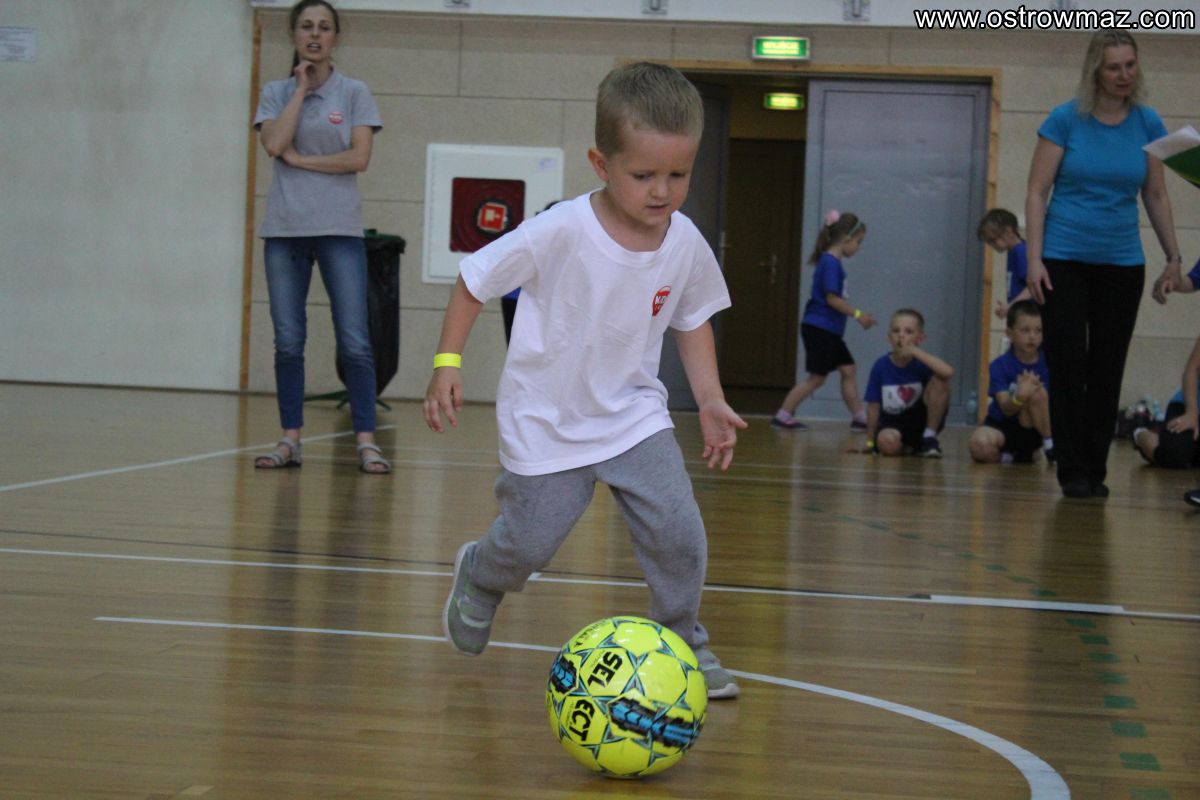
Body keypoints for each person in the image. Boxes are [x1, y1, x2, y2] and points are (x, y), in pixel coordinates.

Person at [423, 62, 748, 699]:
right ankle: (482, 574)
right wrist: (446, 365)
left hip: (633, 416)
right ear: (601, 164)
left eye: (678, 175)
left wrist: (710, 399)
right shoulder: (561, 230)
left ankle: (684, 640)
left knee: (679, 533)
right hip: (548, 419)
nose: (663, 191)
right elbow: (474, 280)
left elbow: (693, 318)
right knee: (529, 544)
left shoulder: (684, 241)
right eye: (644, 175)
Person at [1025, 30, 1181, 499]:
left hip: (1122, 262)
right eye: (1114, 67)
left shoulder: (1149, 122)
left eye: (1130, 65)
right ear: (1096, 69)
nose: (1123, 75)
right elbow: (1037, 192)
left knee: (1107, 367)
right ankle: (1072, 468)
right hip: (1063, 259)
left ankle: (1096, 468)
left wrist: (1173, 256)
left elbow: (1156, 194)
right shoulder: (1065, 119)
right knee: (1068, 364)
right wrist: (1033, 260)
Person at [251, 0, 390, 474]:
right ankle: (290, 439)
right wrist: (300, 90)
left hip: (339, 230)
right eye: (307, 27)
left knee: (354, 341)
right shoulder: (275, 92)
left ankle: (366, 441)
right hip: (285, 231)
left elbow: (358, 158)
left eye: (324, 27)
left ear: (336, 37)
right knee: (289, 341)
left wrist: (301, 160)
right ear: (294, 35)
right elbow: (274, 143)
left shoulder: (354, 92)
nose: (315, 35)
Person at [771, 210, 875, 431]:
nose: (858, 247)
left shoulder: (831, 262)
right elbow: (832, 299)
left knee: (848, 369)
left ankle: (860, 418)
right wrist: (858, 315)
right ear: (846, 238)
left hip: (829, 330)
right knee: (817, 378)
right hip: (819, 328)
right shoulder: (830, 263)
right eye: (858, 242)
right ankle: (783, 415)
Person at [968, 301, 1055, 464]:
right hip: (1002, 426)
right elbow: (1005, 408)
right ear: (1010, 334)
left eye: (1038, 330)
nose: (1032, 336)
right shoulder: (999, 365)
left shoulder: (1049, 363)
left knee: (1037, 392)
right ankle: (1012, 457)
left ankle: (1050, 447)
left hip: (1036, 427)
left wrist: (1030, 393)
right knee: (978, 444)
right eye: (1025, 330)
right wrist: (1019, 397)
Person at [860, 309, 954, 458]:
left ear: (920, 338)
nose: (901, 335)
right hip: (891, 424)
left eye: (908, 331)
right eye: (896, 331)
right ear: (889, 337)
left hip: (920, 422)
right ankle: (909, 448)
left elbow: (948, 372)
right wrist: (870, 443)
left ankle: (929, 437)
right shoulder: (880, 366)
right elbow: (873, 407)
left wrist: (915, 351)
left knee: (940, 380)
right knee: (886, 442)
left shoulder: (923, 362)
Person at [1133, 333, 1200, 473]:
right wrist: (1191, 412)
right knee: (1174, 455)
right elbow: (1191, 370)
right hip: (1190, 405)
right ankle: (1140, 432)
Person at [976, 208, 1030, 320]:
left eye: (992, 240)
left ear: (1008, 231)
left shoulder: (1021, 252)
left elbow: (1033, 288)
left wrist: (1011, 305)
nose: (992, 245)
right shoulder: (1013, 252)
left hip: (1028, 315)